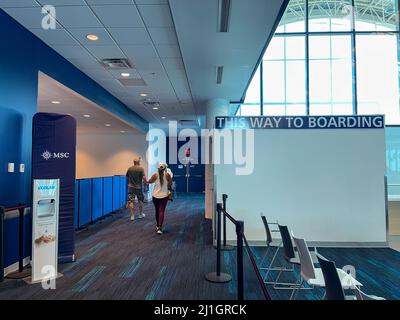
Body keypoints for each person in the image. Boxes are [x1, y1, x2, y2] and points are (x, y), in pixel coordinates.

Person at [147, 163, 172, 235]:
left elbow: (150, 181)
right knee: (161, 211)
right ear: (165, 168)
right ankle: (160, 228)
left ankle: (157, 225)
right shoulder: (167, 175)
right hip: (164, 196)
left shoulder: (155, 175)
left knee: (157, 211)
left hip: (155, 196)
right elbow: (170, 184)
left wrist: (146, 181)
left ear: (158, 168)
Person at [126, 156, 147, 222]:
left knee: (131, 201)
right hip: (139, 187)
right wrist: (146, 184)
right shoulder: (141, 169)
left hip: (130, 187)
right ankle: (140, 214)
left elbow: (127, 177)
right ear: (138, 162)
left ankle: (132, 216)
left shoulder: (129, 168)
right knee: (140, 200)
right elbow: (144, 178)